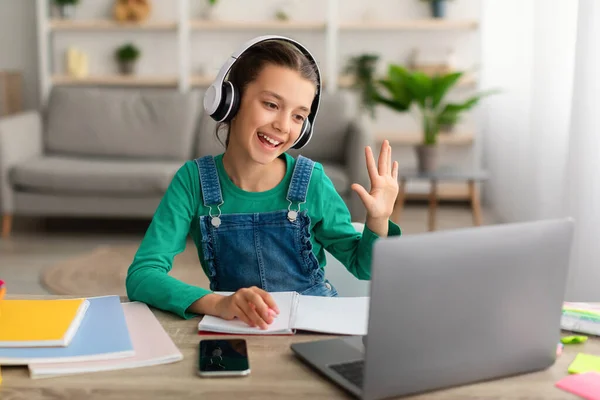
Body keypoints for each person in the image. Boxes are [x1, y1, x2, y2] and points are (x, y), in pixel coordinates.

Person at [125, 35, 402, 330]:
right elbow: (143, 275)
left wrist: (378, 221)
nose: (283, 126)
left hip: (316, 327)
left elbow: (364, 267)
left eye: (298, 116)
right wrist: (218, 304)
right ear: (229, 101)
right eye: (271, 104)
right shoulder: (193, 182)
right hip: (239, 329)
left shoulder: (313, 182)